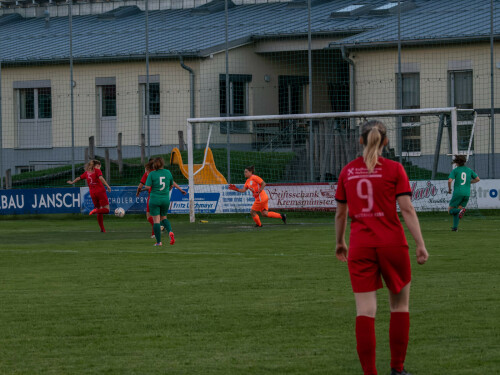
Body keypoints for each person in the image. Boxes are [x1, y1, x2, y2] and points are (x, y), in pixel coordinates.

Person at [334, 120, 429, 375]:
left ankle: (370, 373)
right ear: (386, 141)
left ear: (360, 141)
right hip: (392, 244)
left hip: (361, 246)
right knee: (399, 307)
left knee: (365, 311)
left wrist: (340, 242)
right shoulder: (395, 169)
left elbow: (341, 214)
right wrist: (420, 244)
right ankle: (397, 370)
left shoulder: (348, 171)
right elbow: (407, 209)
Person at [145, 157, 187, 246]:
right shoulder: (168, 172)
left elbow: (148, 187)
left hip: (155, 199)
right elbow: (171, 185)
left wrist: (145, 189)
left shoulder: (152, 174)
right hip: (165, 199)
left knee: (156, 220)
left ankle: (158, 242)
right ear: (162, 164)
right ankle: (170, 231)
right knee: (164, 217)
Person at [67, 159, 112, 233]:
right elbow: (101, 178)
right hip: (100, 192)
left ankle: (102, 229)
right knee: (107, 210)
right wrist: (107, 186)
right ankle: (95, 211)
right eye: (99, 166)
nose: (99, 168)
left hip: (92, 193)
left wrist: (72, 182)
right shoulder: (97, 171)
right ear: (97, 166)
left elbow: (79, 178)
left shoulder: (86, 173)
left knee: (99, 211)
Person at [447, 154, 480, 232]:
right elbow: (477, 179)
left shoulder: (455, 170)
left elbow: (449, 181)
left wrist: (449, 189)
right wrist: (468, 183)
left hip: (458, 193)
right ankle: (455, 228)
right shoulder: (469, 170)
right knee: (457, 210)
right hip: (467, 193)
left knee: (450, 210)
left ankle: (460, 211)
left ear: (457, 162)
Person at [137, 158, 155, 238]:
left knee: (149, 216)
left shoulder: (148, 173)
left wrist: (138, 192)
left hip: (152, 196)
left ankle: (157, 229)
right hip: (162, 196)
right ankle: (155, 233)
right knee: (159, 216)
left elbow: (141, 185)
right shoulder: (160, 172)